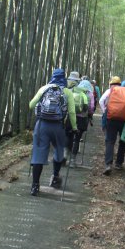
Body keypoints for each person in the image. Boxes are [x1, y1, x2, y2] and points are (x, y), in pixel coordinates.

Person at [29, 68, 76, 196]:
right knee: (59, 150)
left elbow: (31, 105)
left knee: (38, 154)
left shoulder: (44, 88)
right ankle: (55, 177)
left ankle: (35, 186)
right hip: (58, 126)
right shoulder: (67, 91)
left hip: (41, 125)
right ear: (64, 78)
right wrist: (75, 127)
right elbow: (71, 112)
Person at [99, 77, 125, 175]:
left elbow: (106, 108)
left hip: (111, 119)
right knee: (122, 141)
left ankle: (108, 164)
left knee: (110, 142)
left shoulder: (112, 91)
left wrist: (104, 123)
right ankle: (119, 163)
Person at [66, 79, 94, 168]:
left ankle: (64, 155)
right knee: (77, 139)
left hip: (71, 116)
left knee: (69, 136)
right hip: (82, 119)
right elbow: (91, 107)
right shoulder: (89, 93)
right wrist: (90, 114)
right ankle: (72, 161)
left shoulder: (73, 90)